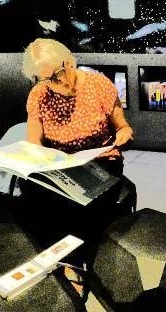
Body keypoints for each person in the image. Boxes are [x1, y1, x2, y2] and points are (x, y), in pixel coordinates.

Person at [17, 38, 134, 293]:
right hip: (59, 162)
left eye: (60, 72)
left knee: (86, 198)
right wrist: (37, 158)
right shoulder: (39, 95)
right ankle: (61, 259)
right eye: (48, 79)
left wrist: (124, 134)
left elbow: (122, 126)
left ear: (70, 61)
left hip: (99, 159)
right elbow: (33, 141)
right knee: (32, 190)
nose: (58, 81)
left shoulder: (99, 85)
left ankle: (80, 263)